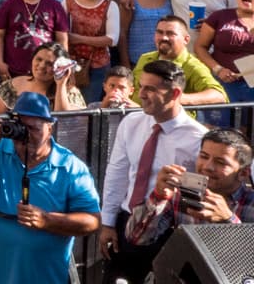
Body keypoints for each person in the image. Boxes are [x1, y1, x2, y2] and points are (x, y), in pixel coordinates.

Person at [0, 91, 101, 284]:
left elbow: (92, 221)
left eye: (33, 129)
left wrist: (48, 220)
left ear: (50, 127)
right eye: (22, 128)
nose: (25, 137)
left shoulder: (69, 167)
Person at [98, 59, 207, 284]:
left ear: (174, 94)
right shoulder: (131, 123)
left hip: (169, 232)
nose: (141, 94)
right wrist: (108, 222)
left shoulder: (198, 139)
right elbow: (117, 174)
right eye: (140, 86)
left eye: (150, 88)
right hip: (127, 224)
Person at [125, 128, 254, 245]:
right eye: (204, 156)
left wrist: (228, 220)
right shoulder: (181, 195)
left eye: (220, 162)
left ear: (243, 173)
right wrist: (158, 196)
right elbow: (136, 237)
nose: (207, 167)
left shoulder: (250, 204)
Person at [0, 0, 69, 78]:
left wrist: (62, 62)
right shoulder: (8, 5)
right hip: (14, 69)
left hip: (45, 69)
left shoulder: (54, 6)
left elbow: (62, 38)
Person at [128, 15, 226, 107]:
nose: (163, 38)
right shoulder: (145, 58)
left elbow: (219, 95)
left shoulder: (192, 66)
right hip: (137, 120)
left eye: (170, 33)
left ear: (186, 40)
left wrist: (176, 98)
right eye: (159, 32)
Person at [193, 0, 254, 105]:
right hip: (222, 83)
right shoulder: (220, 16)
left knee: (248, 125)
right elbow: (200, 47)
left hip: (251, 87)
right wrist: (218, 69)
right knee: (219, 125)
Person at [65, 0, 120, 102]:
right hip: (70, 62)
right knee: (69, 104)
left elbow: (112, 39)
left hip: (98, 64)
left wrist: (78, 38)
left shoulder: (109, 5)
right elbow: (60, 29)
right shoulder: (68, 1)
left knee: (90, 104)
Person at [0, 42, 85, 113]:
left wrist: (61, 84)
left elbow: (65, 122)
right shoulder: (12, 86)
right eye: (39, 59)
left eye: (50, 63)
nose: (42, 66)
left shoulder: (70, 92)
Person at [121, 0, 172, 68]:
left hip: (166, 59)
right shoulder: (130, 1)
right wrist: (125, 63)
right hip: (137, 60)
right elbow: (123, 33)